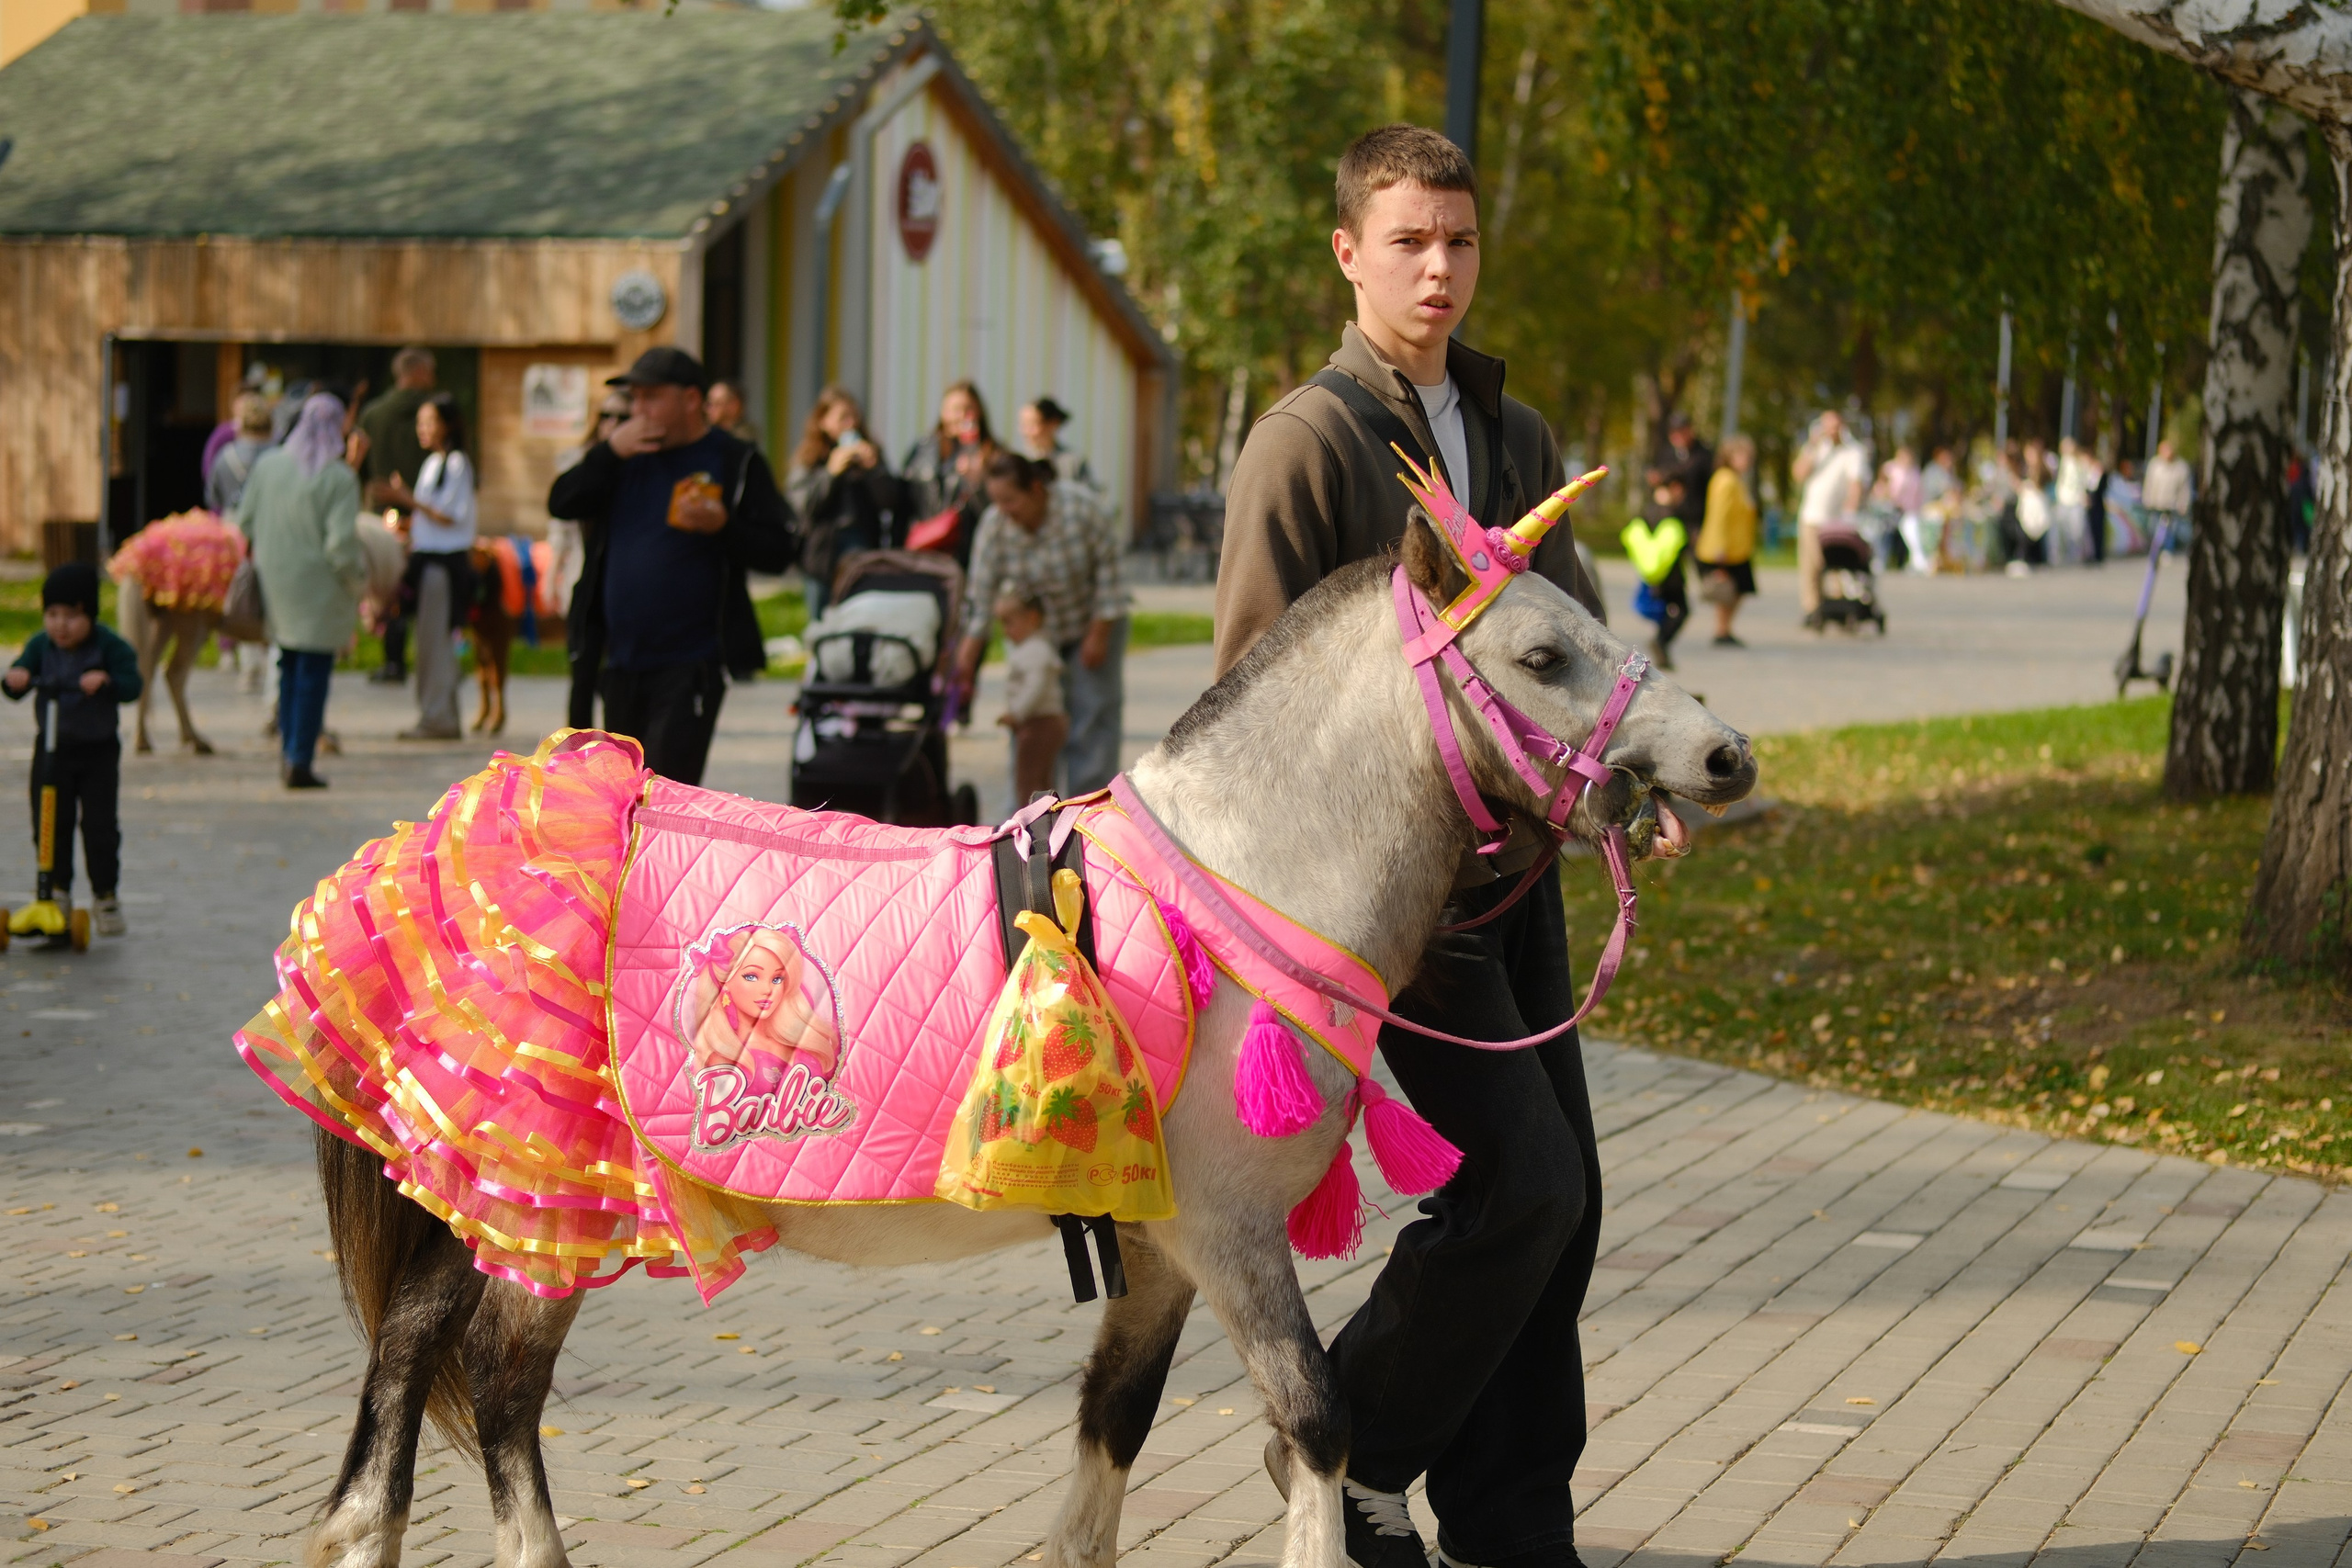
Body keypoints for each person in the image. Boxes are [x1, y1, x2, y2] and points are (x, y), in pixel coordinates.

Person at [1216, 123, 1608, 1568]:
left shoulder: (1515, 434)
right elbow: (1249, 701)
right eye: (1408, 241)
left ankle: (1509, 1519)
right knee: (1523, 1181)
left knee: (1563, 1204)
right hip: (1396, 910)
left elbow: (1575, 648)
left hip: (1520, 878)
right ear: (1348, 252)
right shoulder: (1304, 442)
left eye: (1460, 239)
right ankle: (1354, 1450)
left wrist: (1634, 780)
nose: (1439, 268)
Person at [545, 346, 797, 784]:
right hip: (620, 661)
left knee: (662, 795)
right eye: (635, 398)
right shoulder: (624, 455)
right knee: (622, 795)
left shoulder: (734, 459)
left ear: (691, 399)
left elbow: (780, 551)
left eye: (651, 397)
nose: (638, 410)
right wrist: (608, 452)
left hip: (689, 663)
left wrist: (724, 526)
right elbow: (562, 502)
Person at [954, 452, 1125, 795]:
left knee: (1090, 720)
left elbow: (1111, 577)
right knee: (1032, 721)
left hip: (1090, 622)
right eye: (996, 501)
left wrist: (1099, 634)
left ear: (1035, 489)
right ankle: (1031, 809)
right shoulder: (995, 526)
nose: (1003, 510)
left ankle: (1090, 807)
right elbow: (980, 600)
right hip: (1035, 637)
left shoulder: (1082, 508)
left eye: (1010, 500)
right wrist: (966, 661)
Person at [3, 562, 141, 936]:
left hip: (98, 752)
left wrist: (107, 680)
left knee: (99, 826)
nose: (61, 625)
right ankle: (56, 891)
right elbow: (19, 675)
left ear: (90, 615)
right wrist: (16, 678)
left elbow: (133, 685)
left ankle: (105, 895)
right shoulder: (41, 646)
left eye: (71, 616)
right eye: (52, 615)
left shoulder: (108, 645)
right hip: (52, 750)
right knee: (49, 821)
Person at [237, 393, 368, 790]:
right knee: (313, 675)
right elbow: (340, 546)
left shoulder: (268, 465)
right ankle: (300, 759)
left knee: (288, 668)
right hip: (320, 591)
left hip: (275, 584)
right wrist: (359, 582)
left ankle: (288, 753)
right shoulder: (339, 477)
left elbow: (244, 522)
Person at [380, 392, 476, 739]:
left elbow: (448, 516)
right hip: (426, 561)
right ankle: (439, 714)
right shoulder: (434, 463)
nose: (423, 429)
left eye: (430, 422)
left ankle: (438, 718)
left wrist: (405, 498)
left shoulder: (457, 464)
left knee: (435, 644)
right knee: (429, 642)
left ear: (447, 425)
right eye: (420, 423)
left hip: (443, 565)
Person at [786, 386, 901, 616]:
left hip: (861, 550)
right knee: (821, 621)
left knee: (859, 617)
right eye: (842, 418)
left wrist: (873, 470)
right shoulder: (810, 458)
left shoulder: (870, 453)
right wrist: (830, 473)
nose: (850, 424)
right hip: (821, 555)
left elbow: (891, 501)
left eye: (854, 417)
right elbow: (803, 506)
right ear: (823, 422)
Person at [358, 347, 436, 684]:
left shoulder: (373, 414)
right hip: (426, 512)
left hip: (382, 514)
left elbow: (361, 468)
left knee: (390, 588)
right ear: (417, 372)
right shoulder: (433, 411)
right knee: (424, 587)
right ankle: (429, 657)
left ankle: (393, 660)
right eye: (430, 371)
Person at [687, 925, 840, 1081]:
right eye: (751, 976)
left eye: (777, 979)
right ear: (725, 982)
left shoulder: (803, 1042)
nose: (767, 990)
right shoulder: (722, 1058)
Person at [900, 380, 996, 565]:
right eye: (954, 409)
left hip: (966, 551)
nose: (960, 416)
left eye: (967, 409)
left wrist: (977, 482)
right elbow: (903, 500)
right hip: (924, 547)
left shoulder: (990, 452)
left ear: (979, 412)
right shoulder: (922, 449)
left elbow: (994, 512)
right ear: (943, 413)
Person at [1792, 410, 1868, 625]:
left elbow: (1855, 484)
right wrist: (1813, 446)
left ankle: (1837, 608)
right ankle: (1812, 609)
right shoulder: (1815, 449)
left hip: (1835, 521)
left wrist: (1850, 511)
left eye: (1835, 427)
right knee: (1810, 568)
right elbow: (1798, 474)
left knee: (1835, 566)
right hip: (1811, 516)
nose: (1832, 431)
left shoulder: (1853, 451)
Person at [995, 591, 1067, 801]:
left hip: (1039, 723)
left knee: (1028, 780)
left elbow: (1035, 687)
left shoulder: (1035, 650)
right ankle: (1047, 815)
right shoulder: (1036, 648)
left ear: (1032, 618)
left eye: (1009, 623)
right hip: (1044, 721)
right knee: (1042, 778)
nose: (1005, 631)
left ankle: (1030, 817)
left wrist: (1016, 713)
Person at [1696, 434, 1758, 645]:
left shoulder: (1735, 480)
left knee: (1738, 590)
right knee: (1727, 591)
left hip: (1737, 548)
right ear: (1730, 456)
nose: (1748, 460)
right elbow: (1719, 516)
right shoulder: (1726, 481)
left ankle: (1724, 629)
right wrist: (1719, 548)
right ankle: (1722, 630)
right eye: (1743, 455)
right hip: (1726, 549)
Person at [204, 393, 277, 517]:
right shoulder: (280, 456)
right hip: (270, 521)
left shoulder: (225, 456)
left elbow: (212, 498)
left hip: (234, 524)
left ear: (240, 425)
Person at [1018, 396, 1096, 490]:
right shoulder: (1018, 462)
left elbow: (1088, 494)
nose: (1026, 432)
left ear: (1053, 423)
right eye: (1024, 425)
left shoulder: (1072, 462)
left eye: (1032, 424)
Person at [1874, 444, 1926, 573]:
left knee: (1904, 537)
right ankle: (1881, 560)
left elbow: (1917, 493)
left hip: (1907, 510)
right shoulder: (1890, 468)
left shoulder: (1914, 472)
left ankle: (1903, 562)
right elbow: (1882, 486)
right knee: (1887, 534)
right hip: (1890, 507)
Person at [2143, 437, 2193, 553]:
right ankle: (2155, 552)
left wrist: (2184, 504)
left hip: (2172, 506)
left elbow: (2185, 489)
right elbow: (2149, 484)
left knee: (2170, 531)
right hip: (2156, 505)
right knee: (2154, 530)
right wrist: (2147, 500)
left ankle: (2167, 551)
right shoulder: (2155, 465)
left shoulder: (2181, 467)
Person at [707, 380, 761, 447]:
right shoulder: (709, 434)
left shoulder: (743, 440)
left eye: (716, 403)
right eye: (709, 403)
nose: (707, 409)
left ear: (734, 405)